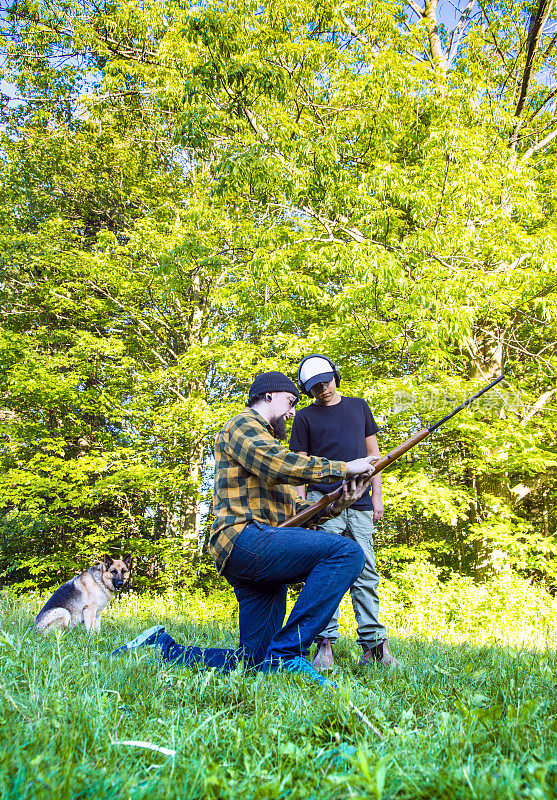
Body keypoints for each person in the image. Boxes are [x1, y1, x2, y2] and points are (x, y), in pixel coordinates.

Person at [112, 371, 376, 686]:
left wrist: (339, 503)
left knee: (253, 663)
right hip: (243, 540)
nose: (292, 413)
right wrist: (345, 467)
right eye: (290, 402)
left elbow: (297, 512)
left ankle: (163, 648)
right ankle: (290, 653)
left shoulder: (267, 447)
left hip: (266, 550)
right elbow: (280, 463)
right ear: (268, 396)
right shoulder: (241, 427)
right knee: (347, 553)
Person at [290, 355, 400, 669]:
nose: (322, 390)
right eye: (314, 387)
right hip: (323, 505)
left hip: (362, 505)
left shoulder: (359, 407)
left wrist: (377, 497)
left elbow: (374, 457)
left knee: (366, 573)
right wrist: (304, 511)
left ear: (335, 376)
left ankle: (374, 648)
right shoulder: (304, 418)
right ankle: (324, 644)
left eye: (325, 382)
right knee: (326, 574)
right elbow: (300, 469)